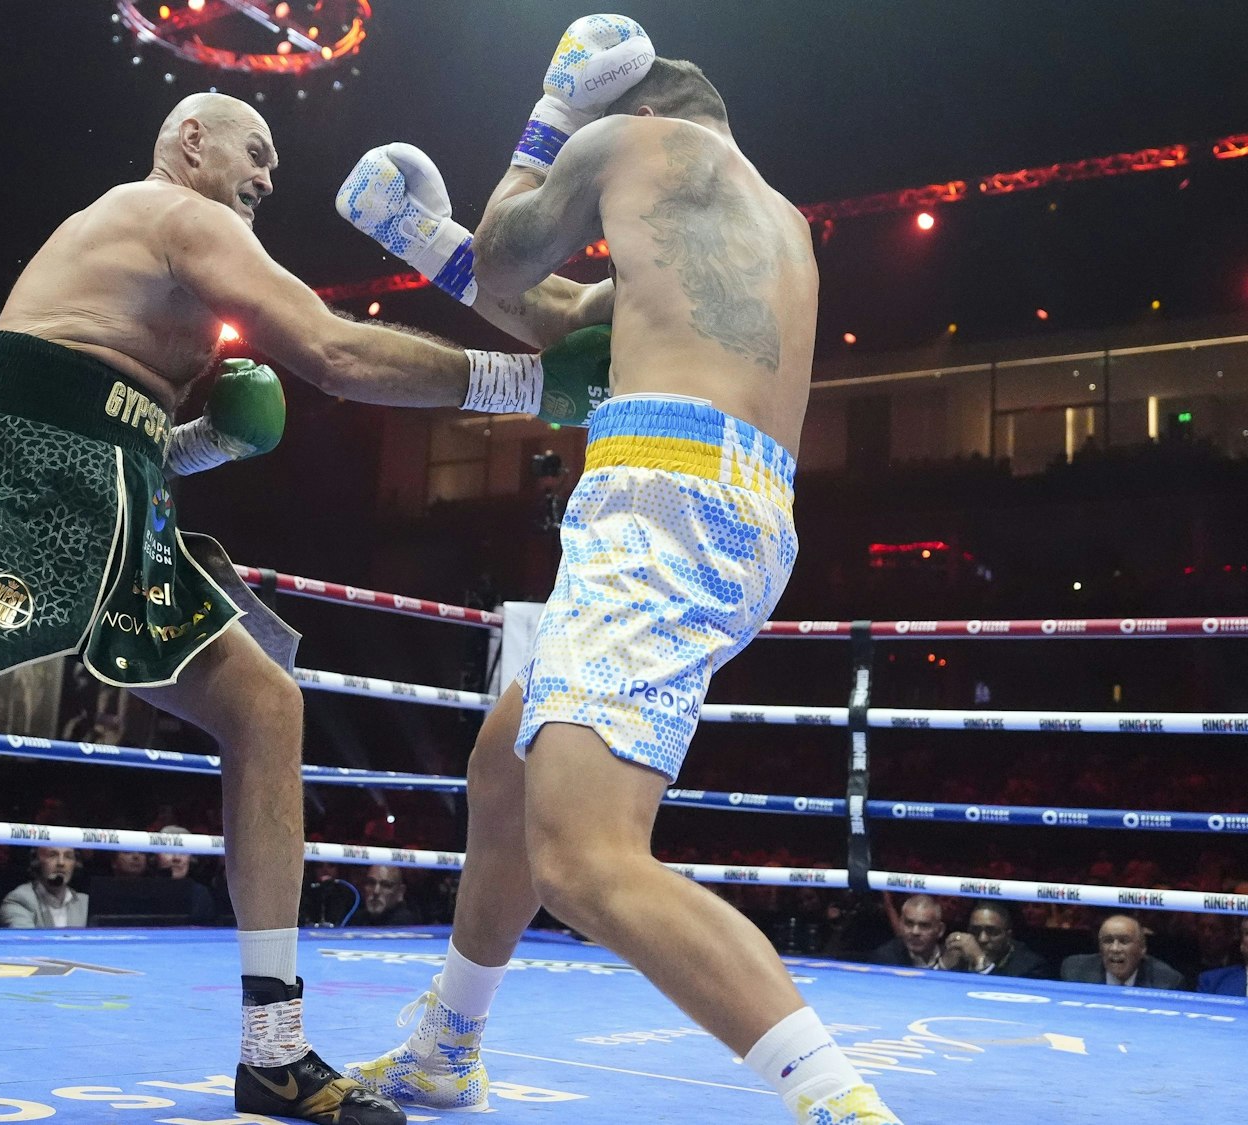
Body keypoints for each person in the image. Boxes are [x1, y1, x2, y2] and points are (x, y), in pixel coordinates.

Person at [0, 90, 609, 1125]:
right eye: (254, 150)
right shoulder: (175, 213)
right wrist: (528, 384)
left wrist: (208, 440)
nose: (267, 174)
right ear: (190, 141)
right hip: (9, 475)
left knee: (265, 709)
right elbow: (333, 352)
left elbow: (129, 450)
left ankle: (272, 1050)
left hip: (107, 498)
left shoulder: (159, 276)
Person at [339, 20, 902, 1124]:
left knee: (585, 860)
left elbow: (510, 251)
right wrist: (415, 235)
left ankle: (838, 1105)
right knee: (505, 761)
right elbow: (560, 319)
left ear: (630, 113)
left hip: (660, 502)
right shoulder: (774, 222)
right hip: (738, 512)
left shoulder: (626, 144)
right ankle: (445, 1048)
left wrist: (548, 119)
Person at [1059, 914, 1186, 989]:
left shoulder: (1166, 982)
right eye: (1108, 941)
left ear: (1142, 949)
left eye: (1124, 941)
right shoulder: (1075, 972)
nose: (1115, 948)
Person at [956, 901, 1051, 979]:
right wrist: (945, 964)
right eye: (975, 931)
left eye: (992, 931)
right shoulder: (959, 956)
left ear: (1008, 935)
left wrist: (980, 961)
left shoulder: (1032, 966)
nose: (982, 939)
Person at [0, 846, 88, 928]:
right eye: (52, 855)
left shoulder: (85, 902)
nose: (61, 863)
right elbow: (26, 943)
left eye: (68, 856)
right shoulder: (20, 900)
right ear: (36, 861)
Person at [866, 894, 948, 969]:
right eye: (909, 924)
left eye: (924, 926)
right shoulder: (884, 959)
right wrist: (943, 967)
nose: (915, 932)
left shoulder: (952, 956)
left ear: (940, 930)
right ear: (901, 924)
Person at [355, 866, 422, 927]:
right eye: (371, 882)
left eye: (385, 885)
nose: (376, 891)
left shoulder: (405, 923)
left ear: (400, 892)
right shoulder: (357, 918)